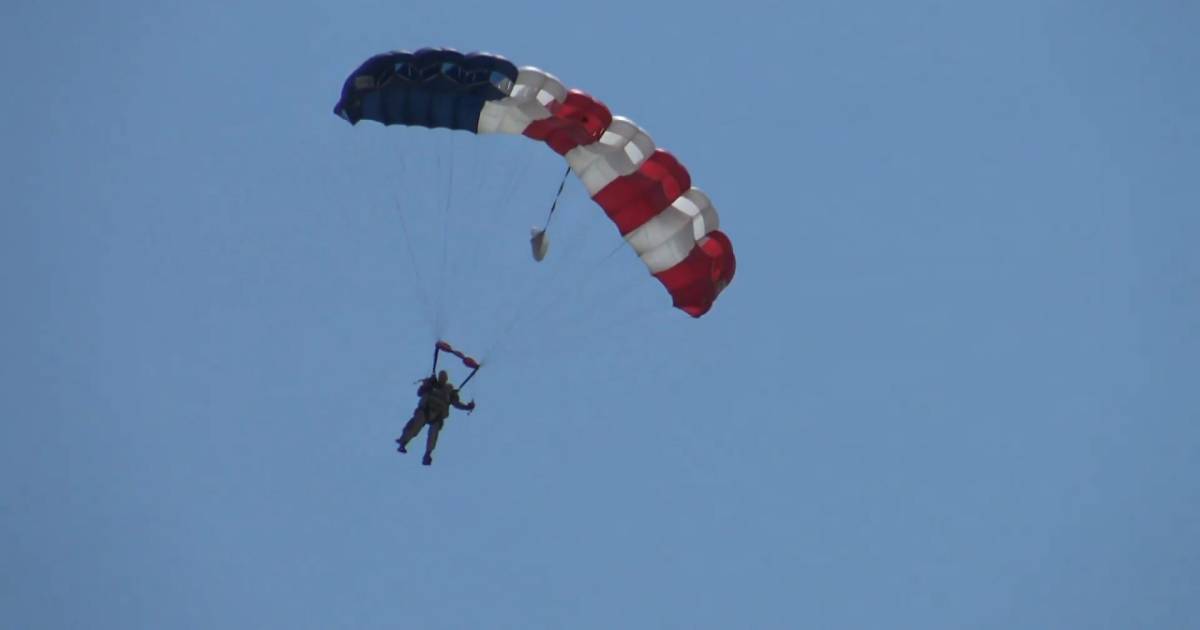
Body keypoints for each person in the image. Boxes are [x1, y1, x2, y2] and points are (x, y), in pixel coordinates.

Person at [396, 370, 475, 465]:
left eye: (444, 378)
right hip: (425, 410)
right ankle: (403, 442)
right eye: (441, 377)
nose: (442, 379)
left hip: (437, 415)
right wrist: (427, 385)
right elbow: (420, 393)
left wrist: (467, 407)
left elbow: (456, 404)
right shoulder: (431, 384)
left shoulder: (449, 392)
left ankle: (427, 454)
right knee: (415, 425)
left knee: (433, 434)